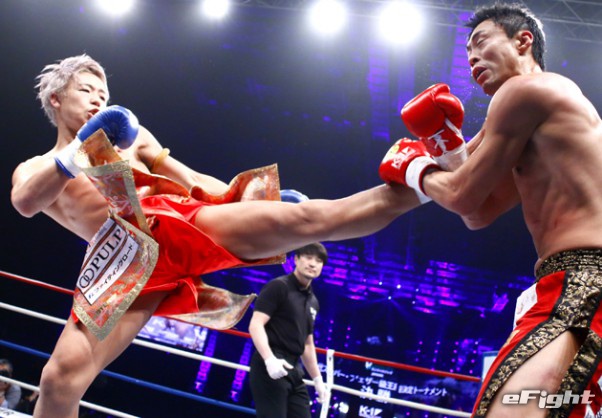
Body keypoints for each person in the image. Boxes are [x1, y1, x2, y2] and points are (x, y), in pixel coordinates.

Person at [9, 54, 445, 418]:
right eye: (86, 90)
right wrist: (78, 151)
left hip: (175, 224)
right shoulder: (35, 168)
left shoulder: (132, 139)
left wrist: (258, 201)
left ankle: (428, 179)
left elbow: (193, 179)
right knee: (59, 381)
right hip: (119, 263)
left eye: (103, 95)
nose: (98, 100)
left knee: (310, 219)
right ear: (56, 99)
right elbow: (26, 202)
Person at [379, 2, 602, 417]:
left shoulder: (524, 91)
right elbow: (478, 212)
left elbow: (461, 194)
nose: (472, 58)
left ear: (523, 41)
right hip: (575, 284)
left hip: (582, 283)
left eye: (481, 42)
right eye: (467, 52)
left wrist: (413, 167)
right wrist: (446, 148)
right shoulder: (538, 119)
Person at [248, 243, 329, 418]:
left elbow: (307, 343)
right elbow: (256, 324)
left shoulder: (313, 301)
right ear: (296, 259)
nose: (313, 264)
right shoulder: (278, 286)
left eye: (318, 260)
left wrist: (317, 379)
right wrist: (269, 359)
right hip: (270, 362)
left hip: (294, 369)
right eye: (308, 257)